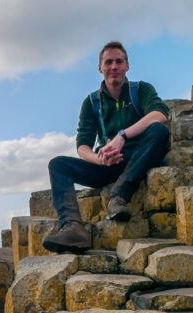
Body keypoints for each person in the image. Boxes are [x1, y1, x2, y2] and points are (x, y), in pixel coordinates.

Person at [43, 41, 170, 254]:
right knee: (58, 165)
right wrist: (99, 159)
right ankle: (72, 227)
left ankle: (118, 196)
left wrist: (122, 135)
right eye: (108, 62)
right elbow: (82, 146)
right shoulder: (91, 102)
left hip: (140, 157)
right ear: (100, 68)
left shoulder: (141, 89)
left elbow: (160, 114)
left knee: (159, 131)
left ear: (127, 66)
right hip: (109, 163)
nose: (114, 67)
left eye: (119, 61)